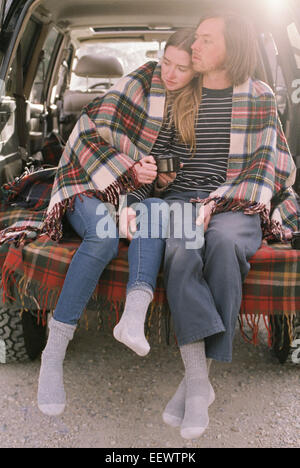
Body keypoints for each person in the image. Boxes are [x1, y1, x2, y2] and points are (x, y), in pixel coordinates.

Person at [124, 11, 298, 440]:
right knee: (182, 254)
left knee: (222, 243)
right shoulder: (183, 93)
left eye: (205, 40)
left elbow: (268, 166)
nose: (194, 47)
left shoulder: (257, 95)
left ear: (230, 49)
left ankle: (194, 382)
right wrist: (152, 174)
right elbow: (163, 156)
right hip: (183, 201)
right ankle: (200, 383)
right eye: (195, 39)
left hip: (239, 201)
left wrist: (218, 202)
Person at [37, 29, 198, 417]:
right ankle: (52, 355)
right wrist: (129, 167)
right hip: (85, 179)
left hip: (134, 193)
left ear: (197, 70)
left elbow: (161, 173)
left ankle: (131, 320)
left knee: (155, 214)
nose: (171, 74)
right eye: (167, 63)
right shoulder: (140, 82)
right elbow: (90, 131)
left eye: (182, 68)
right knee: (104, 239)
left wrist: (154, 176)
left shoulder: (193, 104)